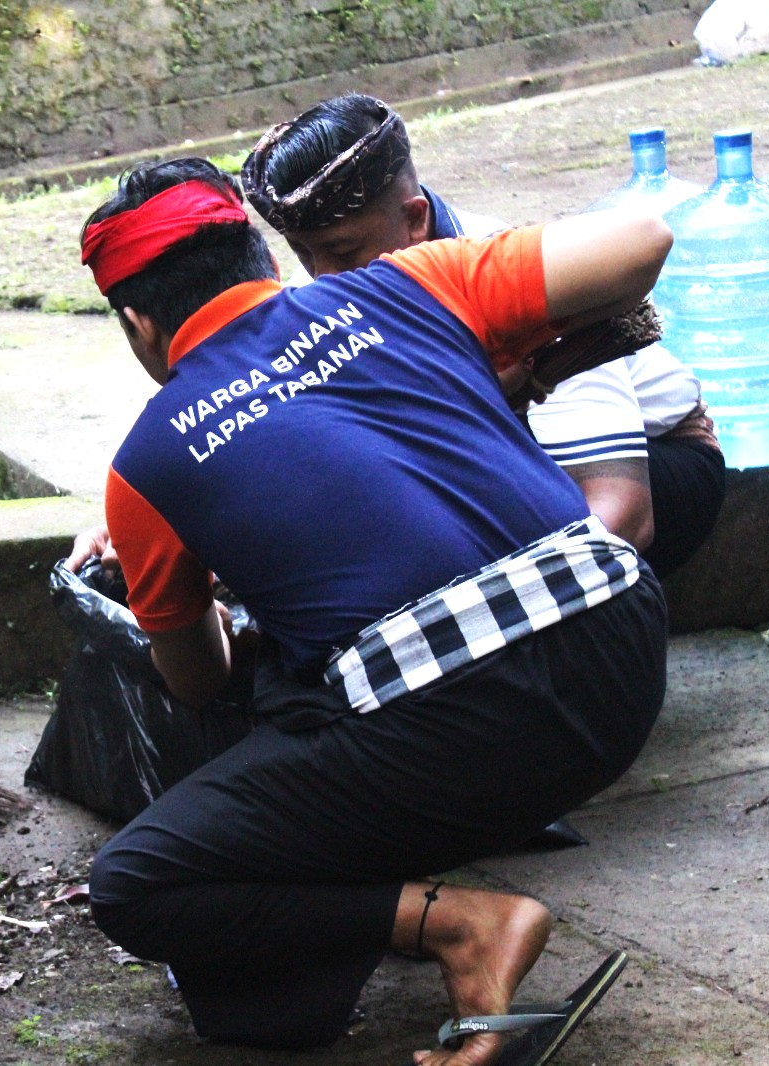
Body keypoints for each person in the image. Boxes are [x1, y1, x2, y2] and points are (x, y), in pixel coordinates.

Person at [76, 157, 671, 1064]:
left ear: (138, 323)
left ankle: (461, 926)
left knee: (136, 881)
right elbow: (645, 240)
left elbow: (200, 679)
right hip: (625, 657)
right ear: (263, 258)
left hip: (459, 745)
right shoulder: (412, 280)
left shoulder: (144, 467)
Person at [242, 93, 726, 578]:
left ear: (414, 221)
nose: (324, 280)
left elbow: (623, 513)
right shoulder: (321, 294)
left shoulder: (508, 273)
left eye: (344, 251)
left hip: (660, 465)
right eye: (305, 255)